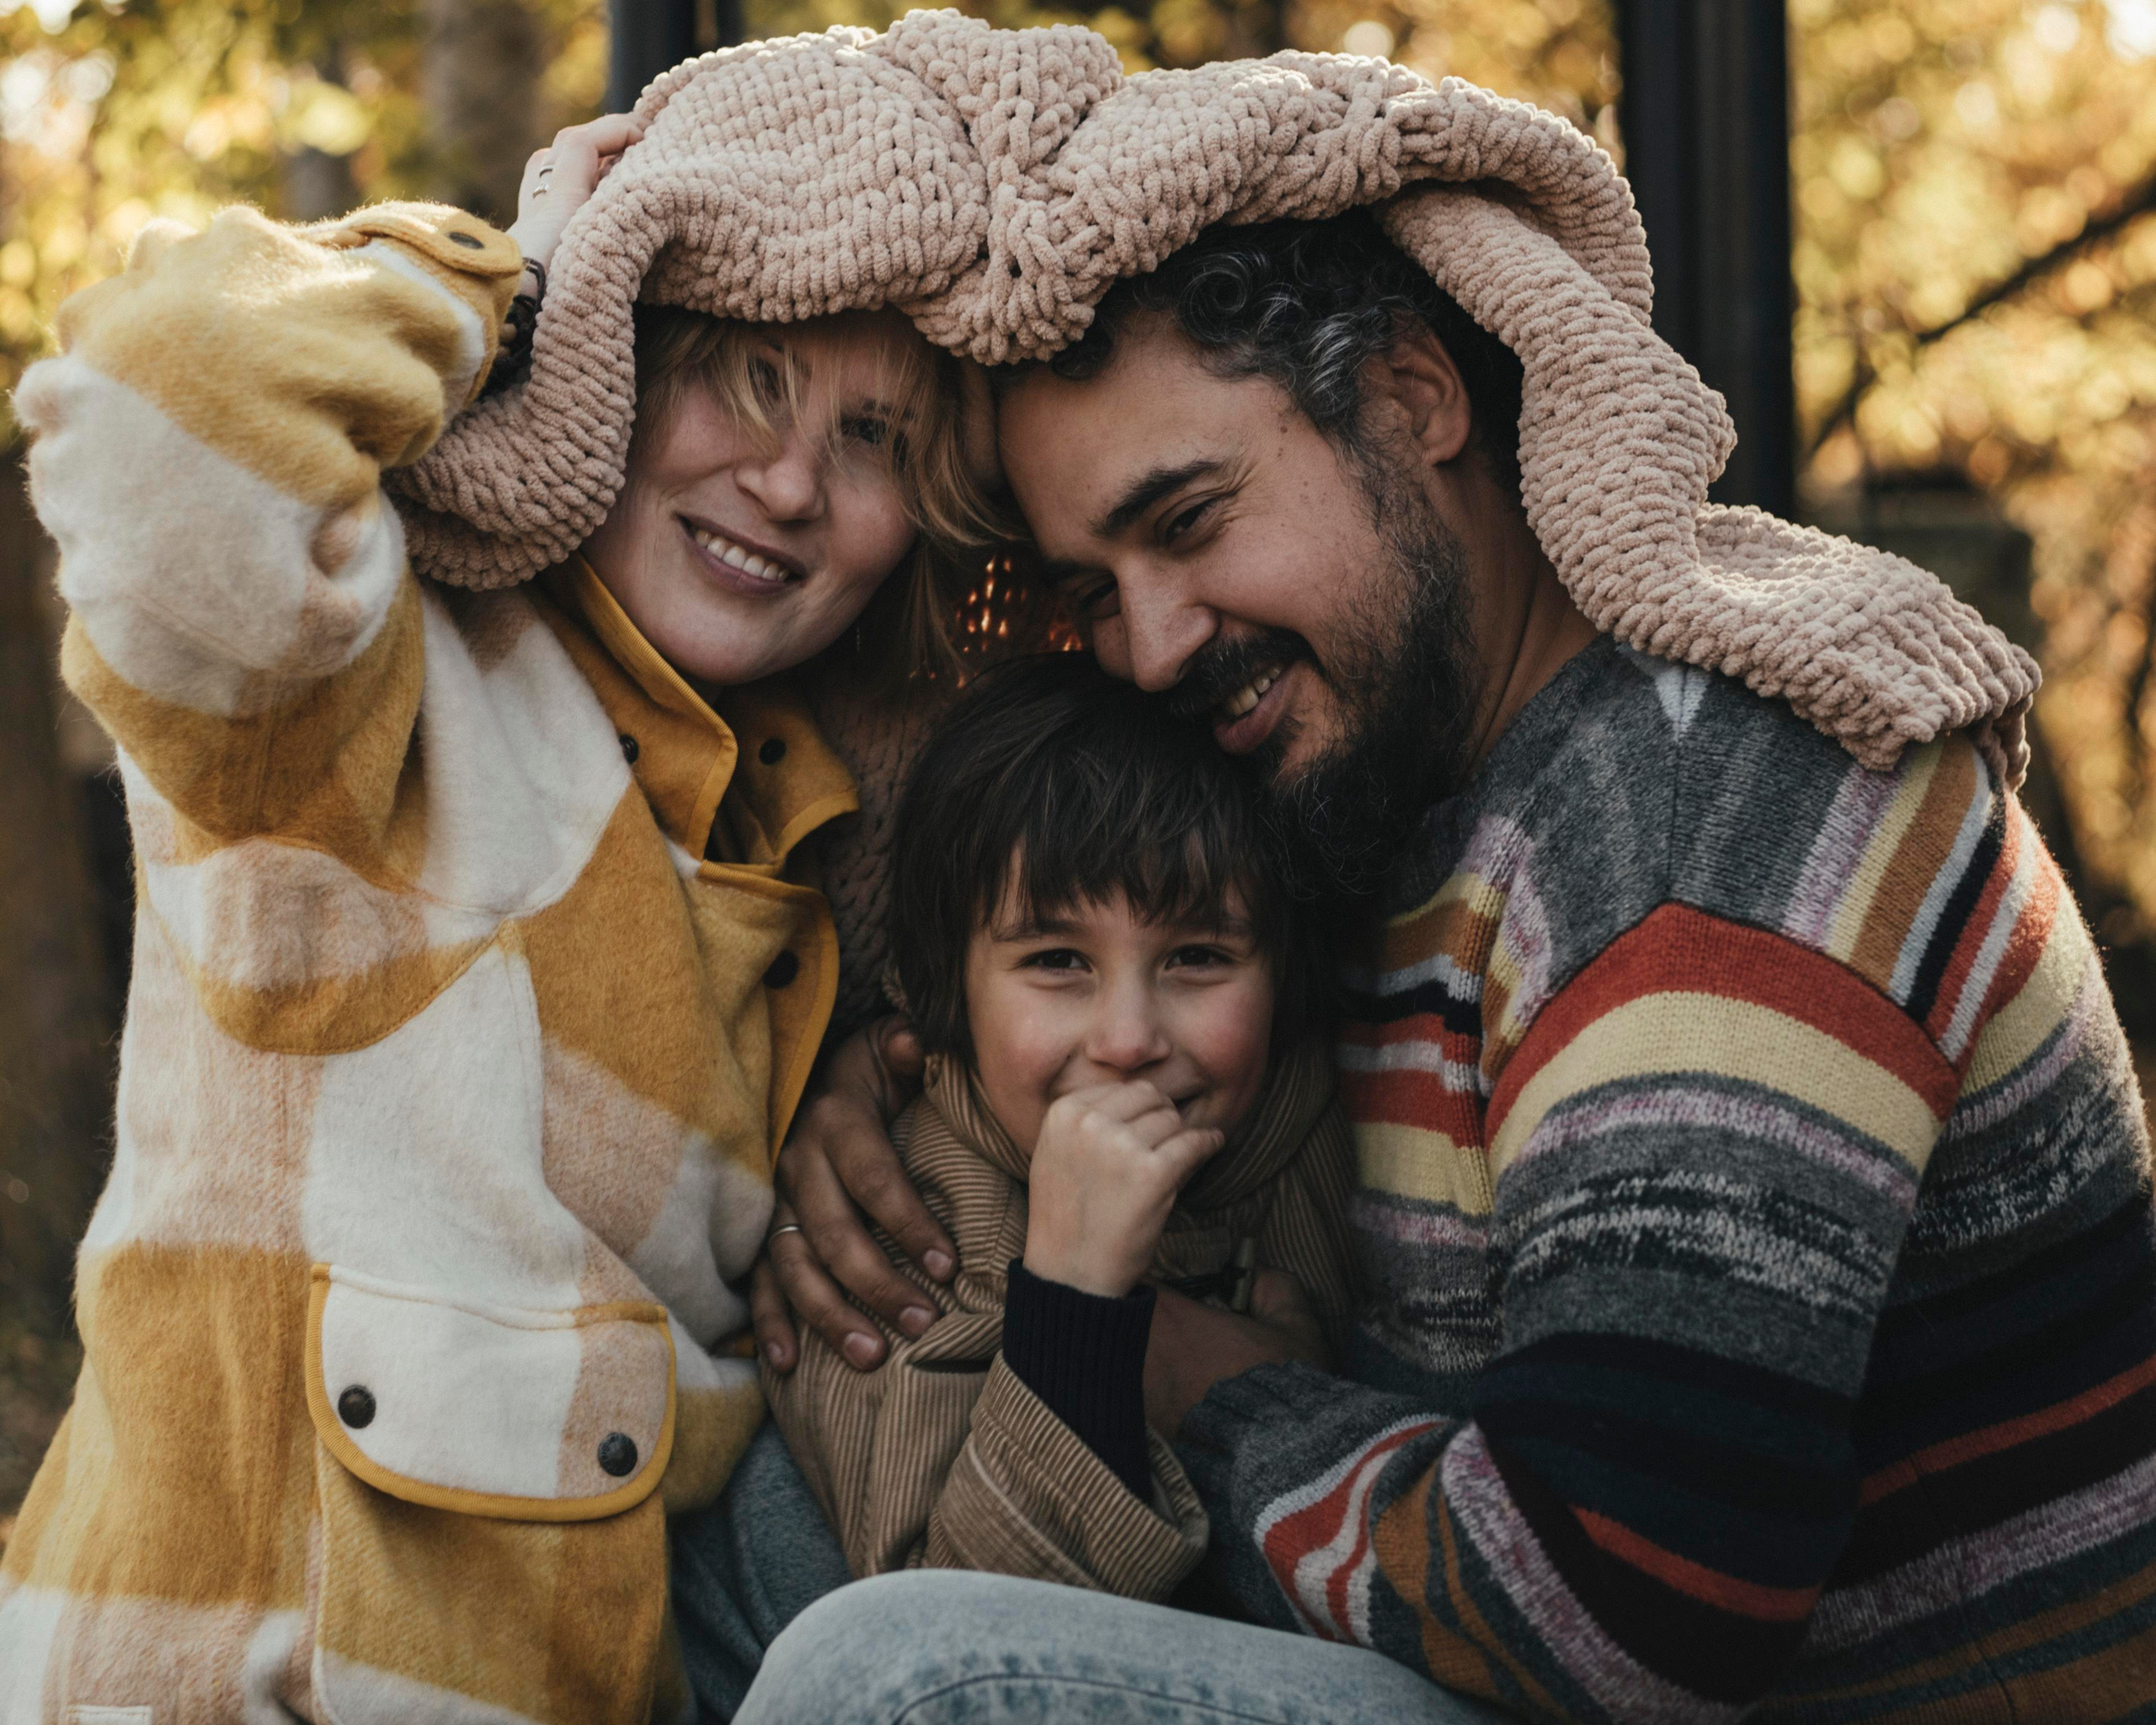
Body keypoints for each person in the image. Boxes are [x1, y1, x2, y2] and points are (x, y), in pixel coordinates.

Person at [748, 158, 2156, 1725]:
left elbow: (1622, 1610)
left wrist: (1185, 1377)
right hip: (1471, 1629)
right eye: (1095, 591)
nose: (1148, 648)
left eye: (1191, 520)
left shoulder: (1694, 834)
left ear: (1415, 397)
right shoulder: (1369, 781)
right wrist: (888, 1094)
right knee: (760, 1507)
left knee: (893, 1680)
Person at [0, 89, 998, 1722]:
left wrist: (832, 1107)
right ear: (617, 367)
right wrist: (517, 278)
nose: (789, 482)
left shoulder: (816, 841)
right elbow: (160, 401)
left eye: (876, 439)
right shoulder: (368, 685)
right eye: (745, 380)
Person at [761, 653, 1359, 1596]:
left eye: (1198, 955)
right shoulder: (910, 1240)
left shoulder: (1330, 1115)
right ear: (938, 990)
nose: (1127, 1040)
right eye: (1056, 960)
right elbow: (942, 1629)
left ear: (1284, 979)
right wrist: (1073, 1306)